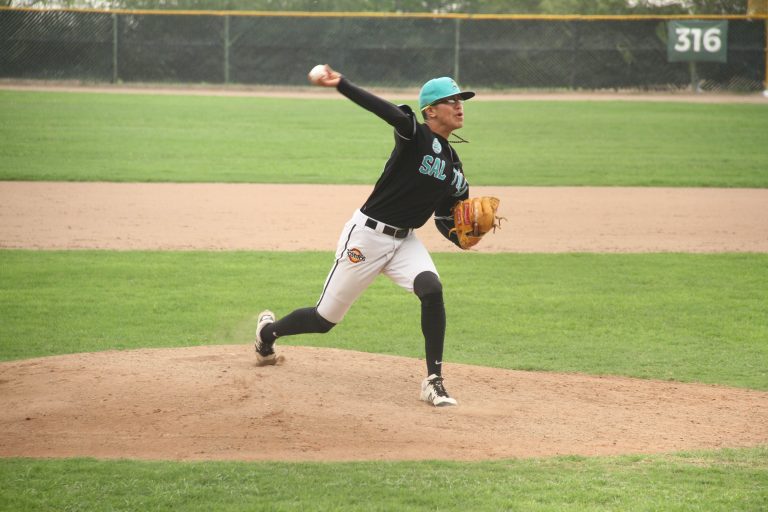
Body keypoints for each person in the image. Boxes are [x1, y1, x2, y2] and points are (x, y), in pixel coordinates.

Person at [255, 64, 476, 407]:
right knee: (324, 319)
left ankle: (433, 381)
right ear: (430, 111)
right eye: (452, 100)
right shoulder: (413, 134)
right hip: (366, 237)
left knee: (431, 290)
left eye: (461, 99)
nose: (460, 105)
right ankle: (267, 333)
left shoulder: (454, 165)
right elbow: (385, 111)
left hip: (404, 242)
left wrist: (460, 236)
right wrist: (341, 84)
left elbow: (445, 216)